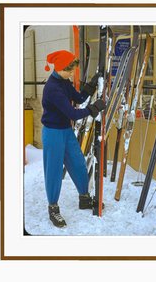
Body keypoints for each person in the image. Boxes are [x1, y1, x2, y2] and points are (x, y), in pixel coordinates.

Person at [41, 50, 105, 228]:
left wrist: (91, 85)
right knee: (53, 170)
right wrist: (93, 109)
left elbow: (78, 98)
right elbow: (72, 113)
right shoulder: (52, 88)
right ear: (60, 68)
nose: (72, 74)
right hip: (53, 133)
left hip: (66, 131)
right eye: (69, 71)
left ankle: (84, 197)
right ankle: (53, 207)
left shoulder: (64, 82)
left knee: (77, 163)